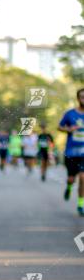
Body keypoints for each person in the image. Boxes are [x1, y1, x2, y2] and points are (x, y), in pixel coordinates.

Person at [58, 88, 84, 216]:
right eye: (82, 97)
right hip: (71, 152)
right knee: (71, 179)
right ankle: (68, 187)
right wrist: (69, 129)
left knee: (83, 177)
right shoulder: (70, 114)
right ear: (78, 99)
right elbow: (59, 127)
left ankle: (80, 204)